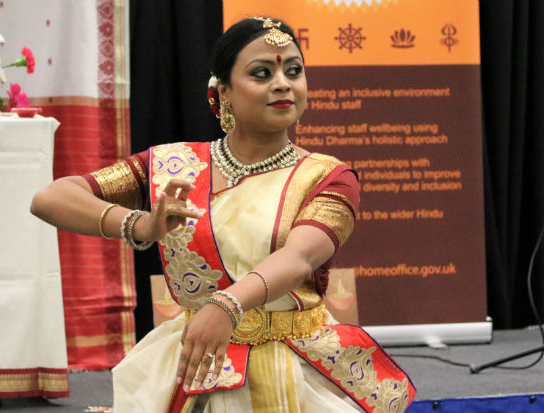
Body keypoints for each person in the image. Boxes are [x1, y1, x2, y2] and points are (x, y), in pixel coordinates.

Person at [31, 17, 415, 413]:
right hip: (198, 358)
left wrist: (226, 305)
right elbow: (51, 198)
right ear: (223, 92)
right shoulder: (172, 165)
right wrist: (141, 224)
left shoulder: (329, 178)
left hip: (296, 363)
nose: (283, 83)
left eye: (294, 71)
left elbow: (299, 257)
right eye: (262, 73)